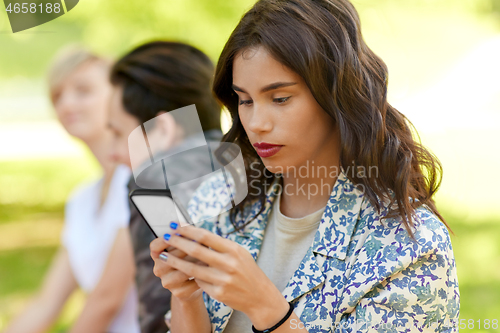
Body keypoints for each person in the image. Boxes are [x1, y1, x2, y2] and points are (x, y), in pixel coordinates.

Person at [149, 0, 460, 332]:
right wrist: (186, 297)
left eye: (280, 99)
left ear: (337, 95)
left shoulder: (409, 247)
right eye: (245, 100)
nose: (256, 123)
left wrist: (267, 308)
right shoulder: (218, 200)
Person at [3, 46, 140, 333]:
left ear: (118, 95)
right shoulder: (81, 200)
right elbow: (46, 304)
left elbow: (106, 300)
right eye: (57, 96)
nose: (66, 105)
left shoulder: (140, 181)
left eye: (83, 90)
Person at [107, 40, 223, 333]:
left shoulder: (153, 184)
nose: (114, 152)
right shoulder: (255, 167)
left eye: (119, 134)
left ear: (163, 129)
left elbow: (158, 316)